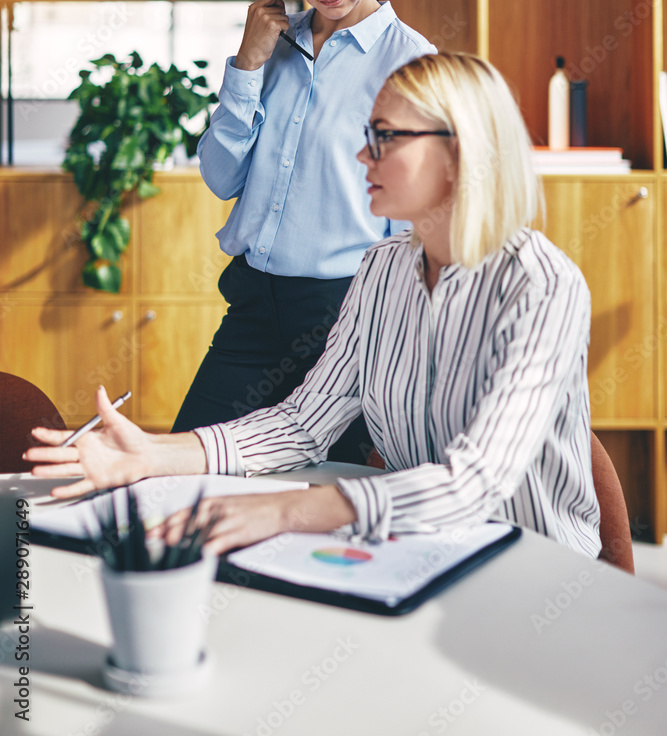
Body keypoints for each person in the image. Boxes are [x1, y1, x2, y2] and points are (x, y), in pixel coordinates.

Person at [27, 52, 601, 561]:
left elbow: (474, 482)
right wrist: (153, 453)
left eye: (384, 137)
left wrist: (285, 510)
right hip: (418, 549)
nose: (360, 154)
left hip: (533, 566)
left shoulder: (541, 286)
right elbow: (302, 423)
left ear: (459, 151)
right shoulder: (381, 269)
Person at [170, 0, 436, 464]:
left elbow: (414, 226)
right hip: (252, 308)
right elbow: (220, 177)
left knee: (334, 495)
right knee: (189, 472)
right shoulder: (270, 48)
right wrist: (246, 66)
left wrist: (390, 341)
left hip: (343, 317)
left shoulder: (413, 65)